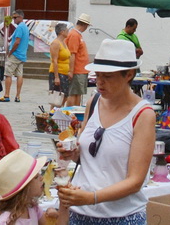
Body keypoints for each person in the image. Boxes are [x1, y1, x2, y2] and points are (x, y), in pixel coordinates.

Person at [59, 39, 158, 225]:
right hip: (80, 213)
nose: (99, 82)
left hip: (122, 216)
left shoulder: (143, 115)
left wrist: (91, 197)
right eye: (97, 75)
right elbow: (86, 155)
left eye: (108, 76)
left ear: (128, 75)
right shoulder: (94, 102)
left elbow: (136, 180)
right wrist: (72, 152)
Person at [0, 149, 51, 225]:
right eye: (36, 177)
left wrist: (62, 207)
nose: (42, 178)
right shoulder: (6, 222)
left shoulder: (33, 209)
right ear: (24, 188)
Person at [65, 14, 93, 107]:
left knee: (77, 94)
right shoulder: (74, 35)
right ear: (84, 25)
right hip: (77, 70)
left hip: (80, 70)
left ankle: (75, 112)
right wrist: (71, 71)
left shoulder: (77, 35)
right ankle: (71, 113)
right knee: (73, 94)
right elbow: (72, 54)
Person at [4, 15, 32, 103]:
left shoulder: (20, 27)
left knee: (8, 74)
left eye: (15, 18)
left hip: (16, 54)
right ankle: (18, 96)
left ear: (20, 17)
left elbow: (17, 41)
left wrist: (10, 52)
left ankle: (6, 95)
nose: (14, 19)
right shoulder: (25, 27)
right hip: (22, 55)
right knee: (19, 75)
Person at [48, 23, 71, 104]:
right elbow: (54, 60)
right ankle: (53, 114)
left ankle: (58, 113)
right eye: (67, 30)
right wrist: (56, 77)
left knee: (65, 96)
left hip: (64, 72)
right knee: (57, 97)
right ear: (62, 32)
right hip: (58, 72)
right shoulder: (56, 43)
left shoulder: (64, 43)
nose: (68, 32)